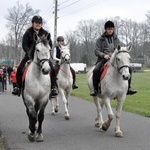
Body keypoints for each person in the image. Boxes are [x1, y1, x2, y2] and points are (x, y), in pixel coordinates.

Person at [12, 15, 58, 97]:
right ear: (33, 23)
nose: (38, 24)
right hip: (30, 55)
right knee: (20, 68)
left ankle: (53, 87)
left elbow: (50, 44)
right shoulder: (28, 33)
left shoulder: (45, 33)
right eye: (36, 22)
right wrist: (29, 53)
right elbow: (24, 45)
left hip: (43, 56)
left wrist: (47, 51)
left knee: (53, 69)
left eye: (40, 23)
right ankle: (18, 87)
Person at [90, 20, 137, 96]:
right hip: (103, 60)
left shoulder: (116, 39)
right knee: (96, 70)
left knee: (129, 69)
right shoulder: (100, 40)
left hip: (115, 60)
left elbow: (119, 50)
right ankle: (95, 90)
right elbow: (96, 51)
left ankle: (128, 88)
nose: (110, 30)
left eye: (111, 29)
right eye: (109, 29)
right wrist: (104, 55)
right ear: (105, 30)